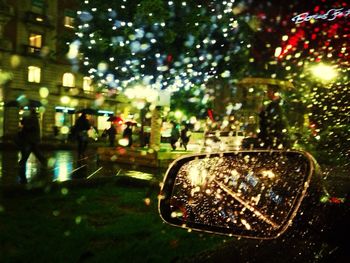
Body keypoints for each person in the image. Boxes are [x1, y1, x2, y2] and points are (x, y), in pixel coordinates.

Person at [18, 107, 47, 184]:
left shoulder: (32, 118)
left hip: (30, 138)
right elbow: (25, 124)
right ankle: (44, 161)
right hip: (32, 138)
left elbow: (28, 127)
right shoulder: (33, 117)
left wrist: (24, 121)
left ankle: (22, 164)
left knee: (28, 151)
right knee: (35, 151)